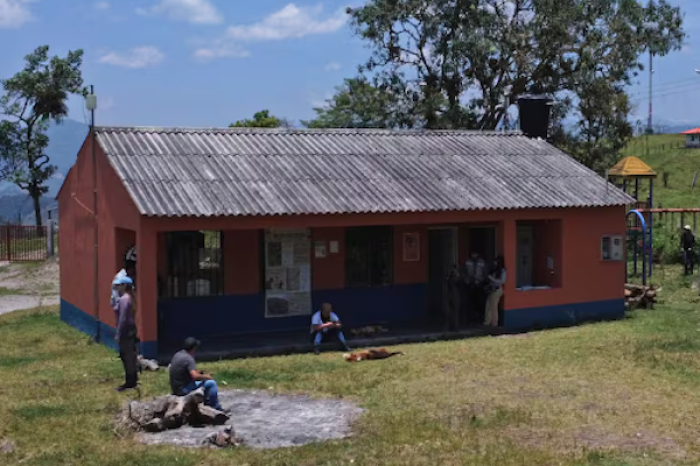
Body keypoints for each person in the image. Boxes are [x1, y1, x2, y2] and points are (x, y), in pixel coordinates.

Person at [169, 337, 226, 412]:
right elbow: (195, 377)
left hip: (176, 388)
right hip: (183, 390)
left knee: (203, 381)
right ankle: (215, 407)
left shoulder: (177, 355)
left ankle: (205, 402)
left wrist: (199, 373)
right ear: (193, 348)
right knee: (211, 383)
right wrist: (207, 376)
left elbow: (185, 371)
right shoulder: (189, 358)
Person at [114, 276, 139, 392]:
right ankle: (133, 378)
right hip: (131, 330)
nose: (117, 287)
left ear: (124, 285)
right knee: (130, 355)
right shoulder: (129, 298)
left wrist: (118, 334)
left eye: (119, 285)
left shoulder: (124, 299)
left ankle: (130, 382)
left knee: (126, 356)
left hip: (126, 331)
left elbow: (123, 318)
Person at [464, 251, 487, 325]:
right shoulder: (467, 261)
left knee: (480, 303)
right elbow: (464, 272)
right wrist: (466, 280)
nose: (474, 255)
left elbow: (485, 273)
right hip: (470, 285)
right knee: (469, 302)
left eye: (475, 253)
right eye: (472, 253)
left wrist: (481, 280)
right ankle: (469, 319)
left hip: (479, 284)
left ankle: (480, 318)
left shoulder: (482, 262)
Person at [484, 256, 506, 327]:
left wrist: (492, 279)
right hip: (492, 289)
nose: (494, 263)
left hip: (498, 290)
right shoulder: (495, 270)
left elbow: (502, 281)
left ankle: (494, 323)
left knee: (494, 307)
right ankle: (487, 321)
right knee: (488, 306)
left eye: (496, 261)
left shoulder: (503, 271)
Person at [445, 264, 461, 330]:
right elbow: (446, 282)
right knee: (450, 311)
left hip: (455, 295)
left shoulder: (457, 276)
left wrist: (457, 275)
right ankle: (451, 326)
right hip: (450, 295)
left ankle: (455, 326)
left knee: (455, 311)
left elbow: (458, 283)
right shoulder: (449, 276)